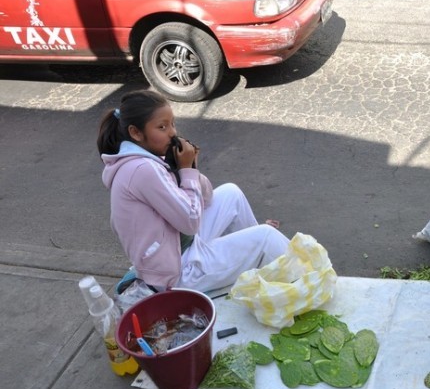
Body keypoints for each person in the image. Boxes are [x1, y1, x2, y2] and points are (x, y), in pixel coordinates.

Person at [97, 89, 290, 293]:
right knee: (267, 237)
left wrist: (189, 170)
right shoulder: (142, 170)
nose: (172, 132)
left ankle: (254, 256)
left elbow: (206, 198)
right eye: (162, 127)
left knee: (231, 193)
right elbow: (190, 222)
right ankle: (314, 278)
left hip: (177, 246)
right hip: (175, 275)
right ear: (136, 133)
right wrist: (186, 171)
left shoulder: (149, 160)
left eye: (172, 124)